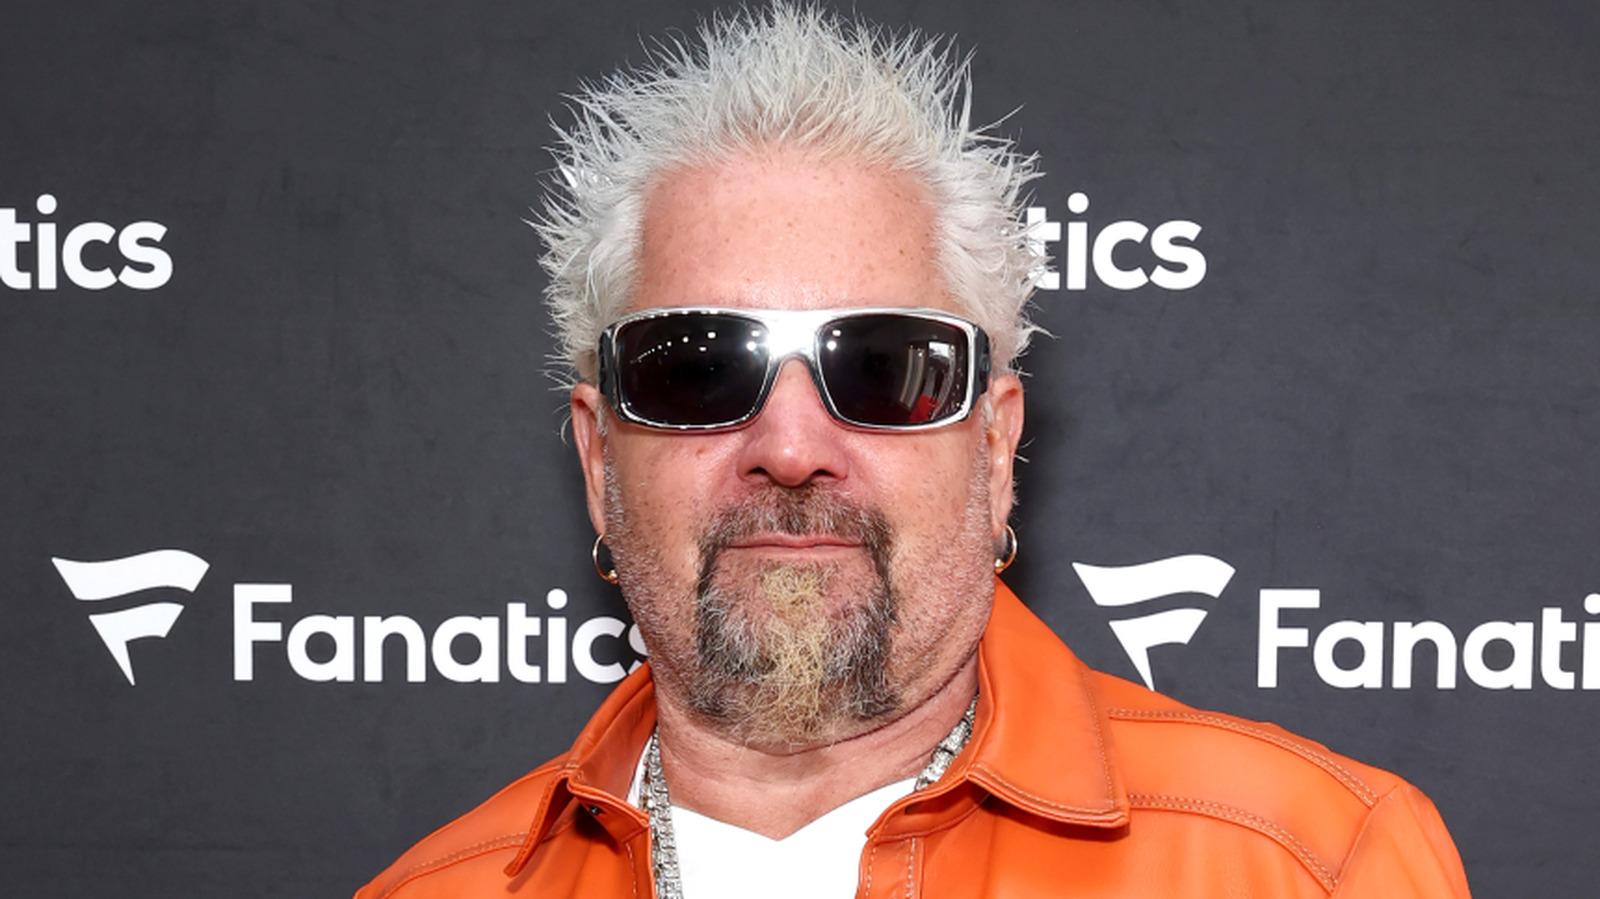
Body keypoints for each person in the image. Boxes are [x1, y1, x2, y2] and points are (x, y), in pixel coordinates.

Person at [355, 4, 1471, 897]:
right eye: (697, 369)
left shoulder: (1308, 865)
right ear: (600, 465)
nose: (791, 444)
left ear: (995, 449)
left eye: (885, 367)